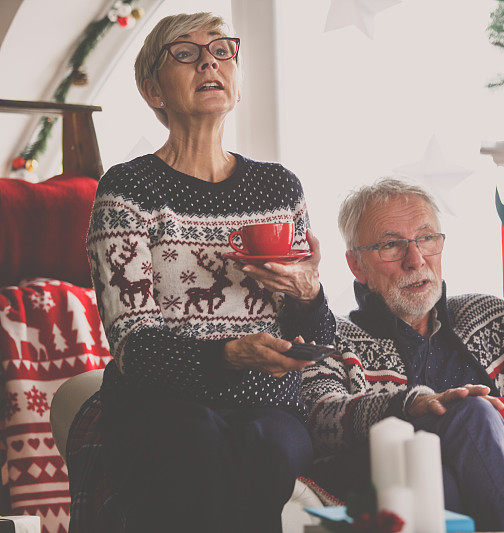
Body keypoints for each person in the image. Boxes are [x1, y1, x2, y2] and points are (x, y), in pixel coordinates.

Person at [67, 13, 335, 533]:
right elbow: (133, 346)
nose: (209, 60)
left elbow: (318, 340)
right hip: (161, 404)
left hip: (269, 404)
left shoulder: (278, 189)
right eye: (185, 53)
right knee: (196, 439)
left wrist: (309, 290)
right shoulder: (129, 190)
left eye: (221, 50)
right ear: (153, 91)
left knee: (268, 444)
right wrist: (229, 353)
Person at [301, 178, 504, 531]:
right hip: (382, 500)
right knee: (469, 416)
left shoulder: (495, 320)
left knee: (444, 476)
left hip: (476, 504)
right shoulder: (332, 335)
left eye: (426, 239)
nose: (415, 260)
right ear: (357, 265)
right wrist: (411, 406)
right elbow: (319, 420)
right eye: (391, 245)